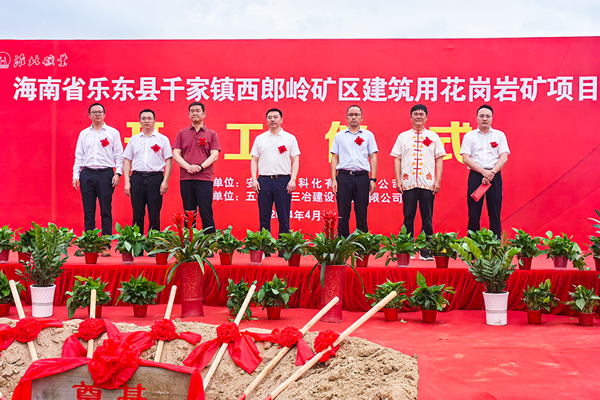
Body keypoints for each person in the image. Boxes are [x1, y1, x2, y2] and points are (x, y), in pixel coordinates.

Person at [390, 104, 446, 261]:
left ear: (426, 117)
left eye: (422, 114)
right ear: (411, 117)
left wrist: (437, 180)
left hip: (427, 183)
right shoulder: (403, 137)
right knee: (408, 216)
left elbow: (439, 159)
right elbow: (397, 159)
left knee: (427, 217)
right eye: (415, 114)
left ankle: (425, 251)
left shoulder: (433, 136)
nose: (418, 116)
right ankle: (407, 249)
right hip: (408, 183)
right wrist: (398, 180)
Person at [72, 103, 123, 256]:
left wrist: (118, 173)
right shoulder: (84, 134)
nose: (97, 114)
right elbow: (79, 156)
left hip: (105, 174)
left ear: (104, 114)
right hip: (87, 174)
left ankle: (105, 245)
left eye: (100, 112)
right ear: (89, 115)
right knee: (89, 211)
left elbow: (119, 155)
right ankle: (89, 244)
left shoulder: (113, 133)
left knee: (106, 210)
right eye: (94, 112)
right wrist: (76, 175)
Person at [250, 108, 300, 242]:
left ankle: (284, 246)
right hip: (264, 180)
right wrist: (254, 179)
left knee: (283, 216)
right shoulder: (260, 139)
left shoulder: (290, 138)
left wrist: (293, 179)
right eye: (269, 117)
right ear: (266, 120)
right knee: (264, 216)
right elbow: (254, 160)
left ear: (281, 120)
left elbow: (295, 160)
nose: (272, 120)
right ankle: (265, 246)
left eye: (275, 117)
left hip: (283, 180)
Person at [460, 104, 510, 238]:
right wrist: (483, 172)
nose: (484, 119)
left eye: (488, 116)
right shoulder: (469, 136)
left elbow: (504, 157)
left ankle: (495, 245)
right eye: (481, 116)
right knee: (473, 213)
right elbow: (466, 158)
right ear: (477, 118)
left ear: (492, 118)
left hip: (494, 176)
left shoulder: (499, 135)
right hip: (476, 176)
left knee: (495, 212)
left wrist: (491, 173)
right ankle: (472, 245)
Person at [122, 109, 173, 235]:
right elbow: (127, 160)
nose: (146, 121)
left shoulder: (162, 139)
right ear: (140, 121)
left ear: (155, 121)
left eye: (149, 118)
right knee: (137, 212)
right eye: (143, 118)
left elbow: (169, 161)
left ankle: (153, 242)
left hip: (155, 178)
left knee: (154, 212)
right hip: (137, 178)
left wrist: (165, 181)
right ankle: (137, 242)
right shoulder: (134, 139)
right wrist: (127, 181)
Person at [330, 105, 378, 238]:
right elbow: (335, 157)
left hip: (362, 177)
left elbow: (373, 157)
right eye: (351, 115)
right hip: (344, 177)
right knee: (343, 213)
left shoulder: (368, 135)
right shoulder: (339, 136)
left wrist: (373, 179)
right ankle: (342, 242)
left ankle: (362, 242)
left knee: (361, 211)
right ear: (346, 118)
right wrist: (333, 179)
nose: (354, 117)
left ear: (362, 118)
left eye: (356, 115)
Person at [173, 102, 221, 233]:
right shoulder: (182, 133)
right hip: (186, 179)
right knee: (189, 213)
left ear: (204, 114)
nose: (195, 113)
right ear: (189, 115)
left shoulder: (212, 134)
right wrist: (188, 167)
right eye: (192, 111)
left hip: (204, 179)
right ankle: (189, 243)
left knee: (206, 212)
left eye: (198, 111)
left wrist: (200, 167)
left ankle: (209, 242)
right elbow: (176, 153)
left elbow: (214, 155)